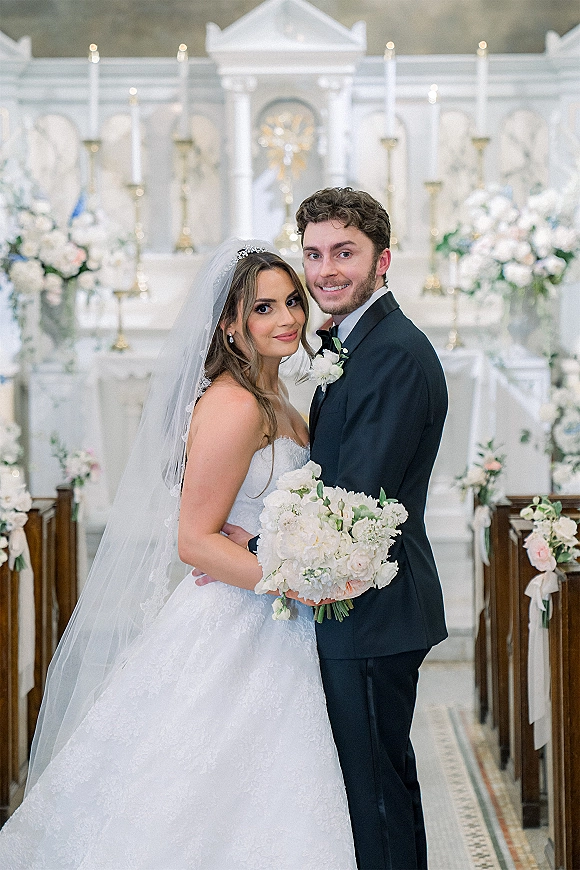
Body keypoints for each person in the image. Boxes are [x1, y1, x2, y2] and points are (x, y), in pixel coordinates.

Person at [0, 241, 357, 869]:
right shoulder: (235, 404)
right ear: (227, 323)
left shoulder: (278, 402)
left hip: (273, 620)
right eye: (263, 307)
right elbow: (193, 539)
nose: (288, 319)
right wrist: (292, 580)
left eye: (292, 301)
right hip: (239, 619)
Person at [220, 188, 449, 870]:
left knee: (376, 793)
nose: (325, 271)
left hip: (373, 609)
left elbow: (356, 505)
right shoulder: (353, 345)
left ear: (383, 260)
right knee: (367, 786)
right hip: (351, 604)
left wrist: (253, 546)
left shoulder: (393, 355)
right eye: (314, 254)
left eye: (344, 253)